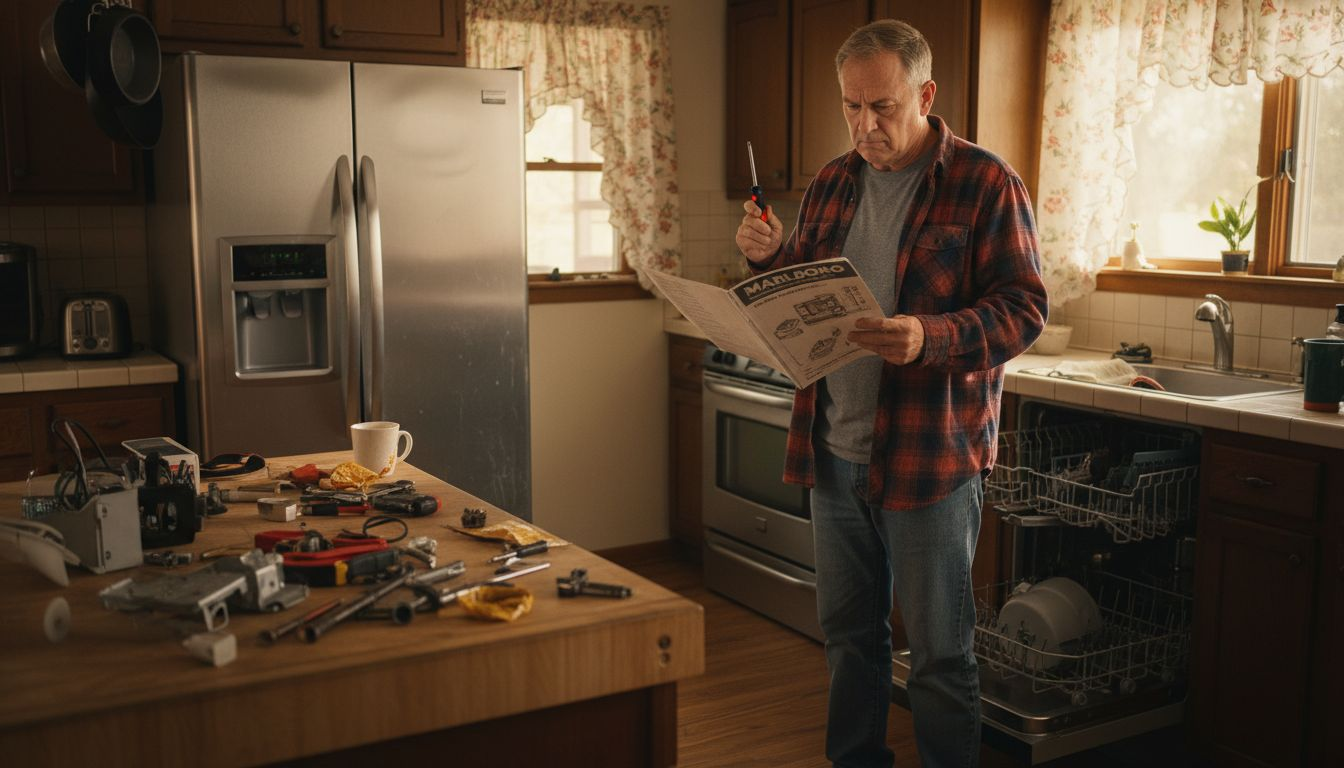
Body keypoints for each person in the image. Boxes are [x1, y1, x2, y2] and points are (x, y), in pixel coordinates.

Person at [734, 19, 1048, 768]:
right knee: (850, 640)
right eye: (851, 106)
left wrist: (928, 337)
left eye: (883, 107)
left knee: (940, 657)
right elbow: (808, 288)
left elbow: (1025, 309)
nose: (864, 125)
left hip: (929, 463)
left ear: (925, 95)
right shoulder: (832, 181)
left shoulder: (986, 183)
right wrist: (772, 257)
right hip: (833, 452)